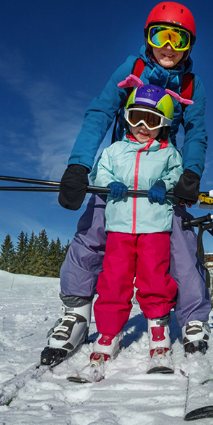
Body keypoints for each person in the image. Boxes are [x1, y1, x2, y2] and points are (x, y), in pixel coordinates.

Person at [41, 2, 210, 367]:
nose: (168, 45)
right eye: (159, 35)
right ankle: (77, 313)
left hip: (161, 177)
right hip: (118, 174)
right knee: (92, 232)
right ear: (147, 39)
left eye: (177, 38)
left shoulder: (191, 83)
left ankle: (192, 317)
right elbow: (101, 111)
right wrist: (79, 166)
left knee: (179, 242)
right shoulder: (131, 69)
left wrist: (189, 174)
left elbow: (196, 131)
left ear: (188, 46)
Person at [88, 80, 186, 368]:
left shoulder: (168, 154)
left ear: (163, 125)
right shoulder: (115, 151)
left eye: (152, 119)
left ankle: (158, 326)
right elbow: (99, 173)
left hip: (154, 226)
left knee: (154, 277)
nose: (143, 125)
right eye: (136, 117)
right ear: (127, 118)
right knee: (113, 279)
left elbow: (176, 176)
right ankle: (109, 332)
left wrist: (163, 184)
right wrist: (110, 184)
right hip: (119, 226)